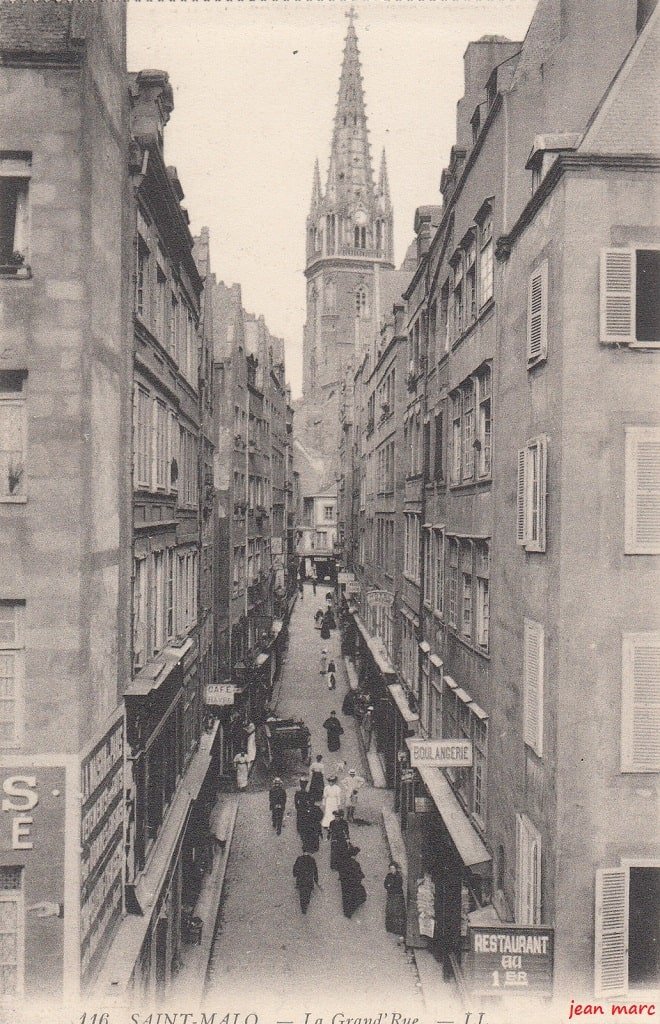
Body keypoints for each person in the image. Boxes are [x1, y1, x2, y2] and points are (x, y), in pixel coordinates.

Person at [337, 844, 367, 919]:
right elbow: (358, 874)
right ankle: (352, 908)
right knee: (357, 895)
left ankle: (347, 912)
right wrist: (361, 876)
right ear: (354, 856)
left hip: (344, 882)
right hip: (353, 883)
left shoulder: (344, 862)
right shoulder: (356, 864)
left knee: (346, 896)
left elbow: (340, 870)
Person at [384, 862, 407, 942]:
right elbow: (385, 884)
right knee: (390, 911)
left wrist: (390, 886)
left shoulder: (398, 877)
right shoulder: (389, 876)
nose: (392, 870)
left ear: (396, 869)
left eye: (393, 868)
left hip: (397, 896)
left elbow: (397, 886)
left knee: (397, 912)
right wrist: (389, 886)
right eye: (390, 869)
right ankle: (391, 928)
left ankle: (398, 929)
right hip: (391, 896)